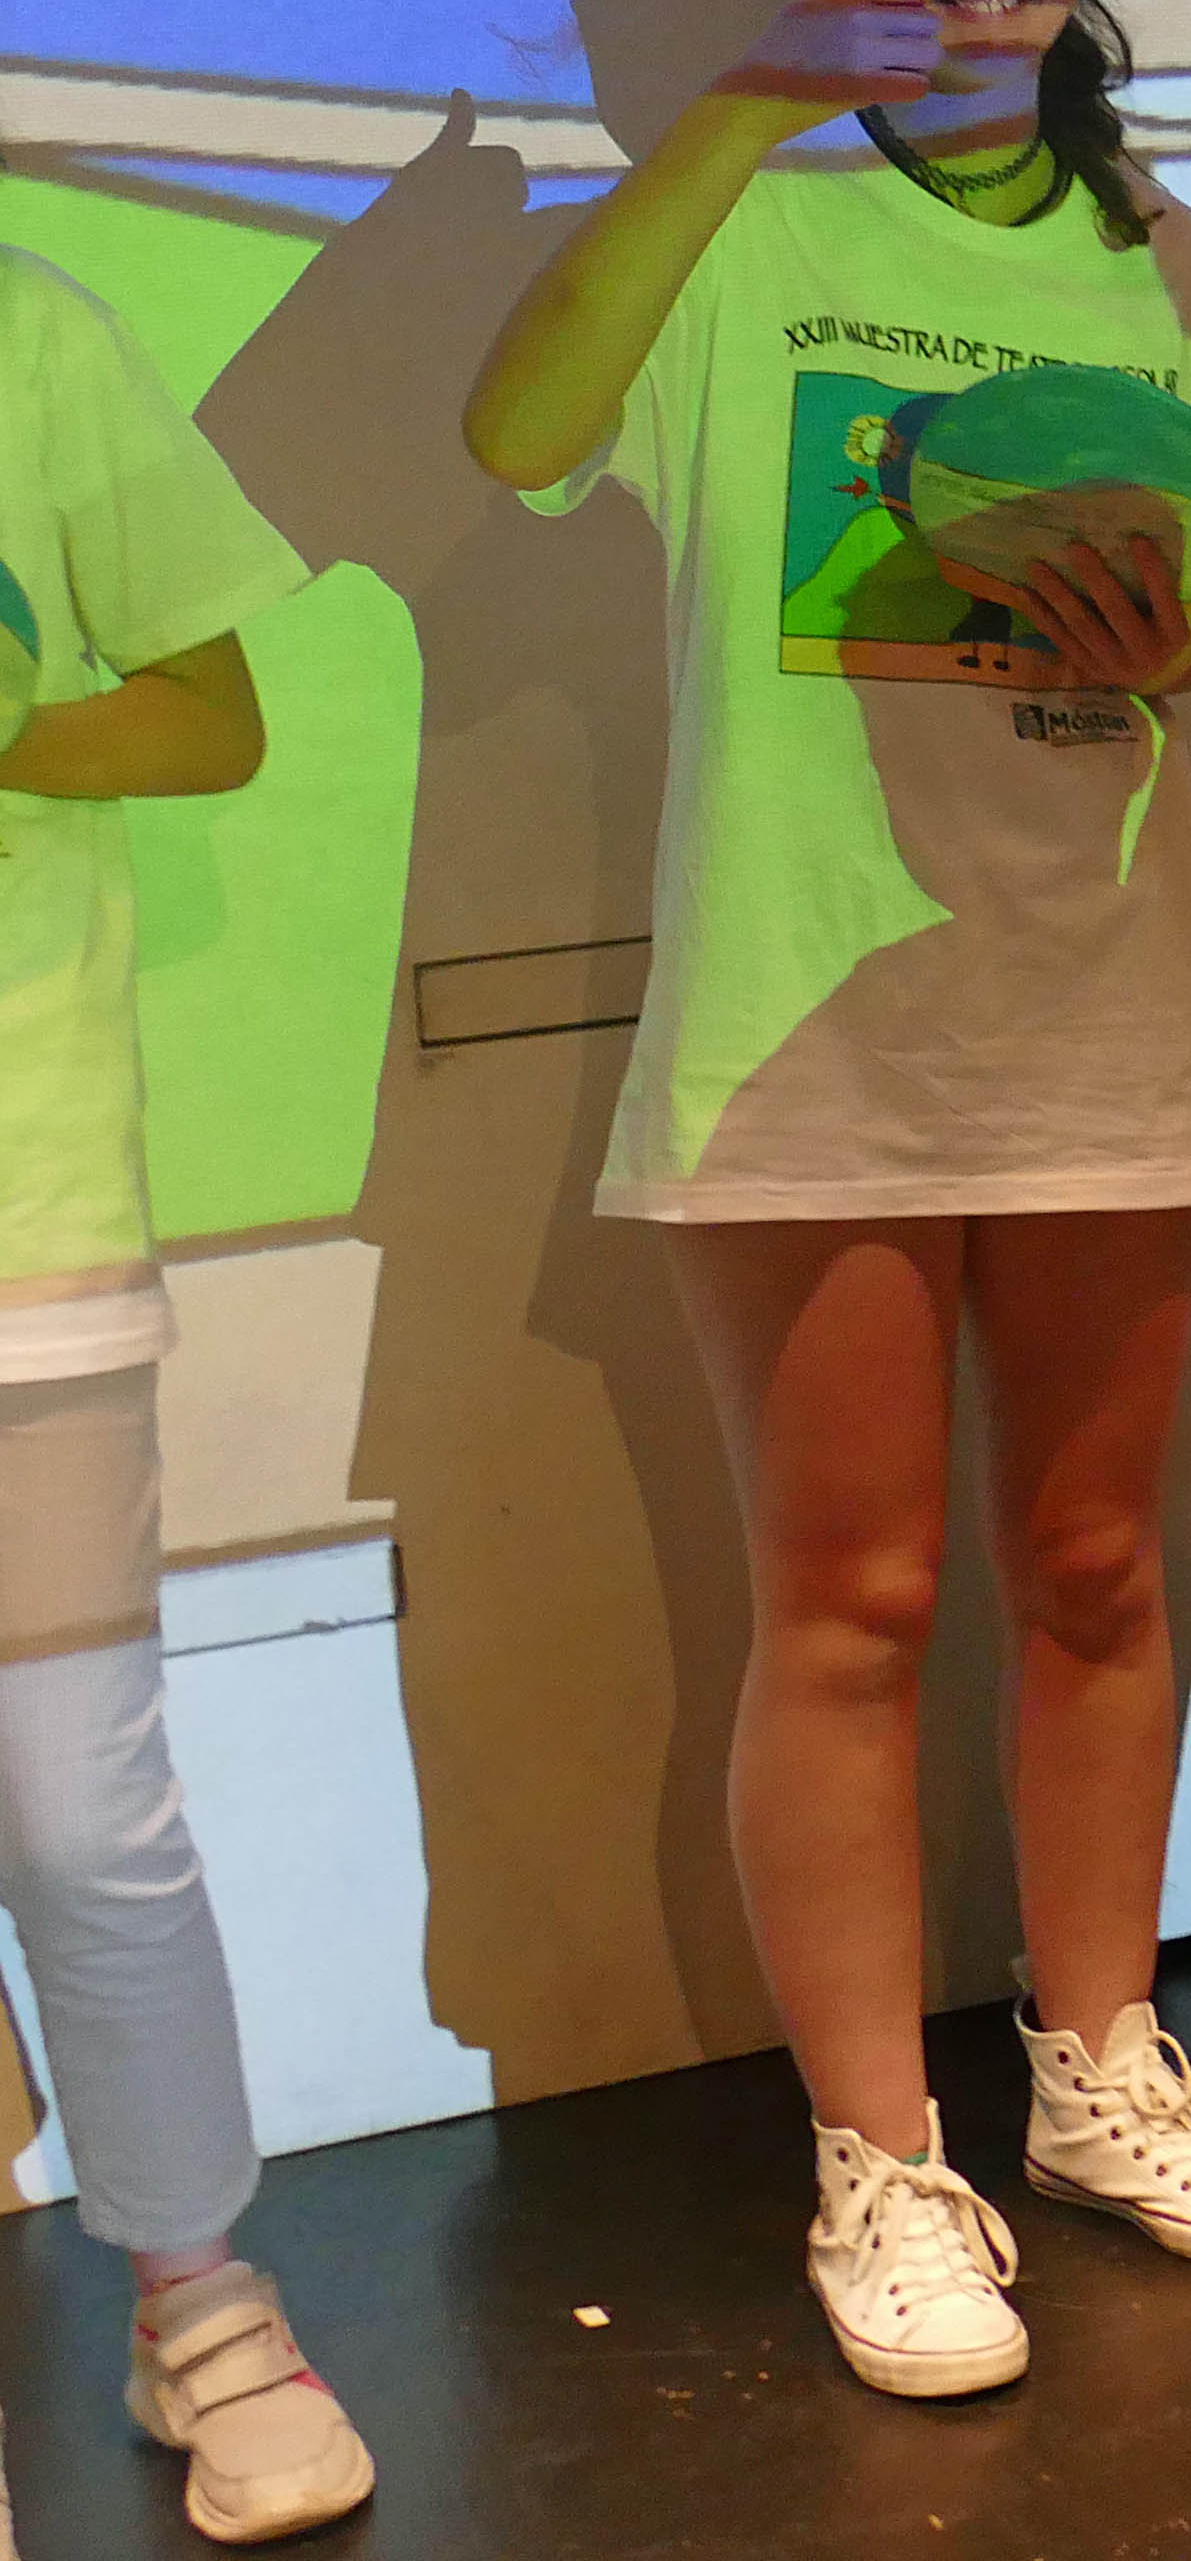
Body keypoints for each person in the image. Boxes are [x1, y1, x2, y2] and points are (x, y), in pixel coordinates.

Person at [461, 0, 1191, 2399]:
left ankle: (1099, 2071)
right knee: (848, 1607)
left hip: (1096, 1002)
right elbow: (517, 433)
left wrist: (1167, 635)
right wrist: (737, 104)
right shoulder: (740, 218)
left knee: (1095, 1574)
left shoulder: (1176, 261)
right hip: (796, 1022)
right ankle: (879, 2159)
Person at [0, 249, 383, 2539]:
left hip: (24, 1223)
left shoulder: (35, 330)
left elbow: (207, 712)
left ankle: (195, 2292)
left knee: (79, 1811)